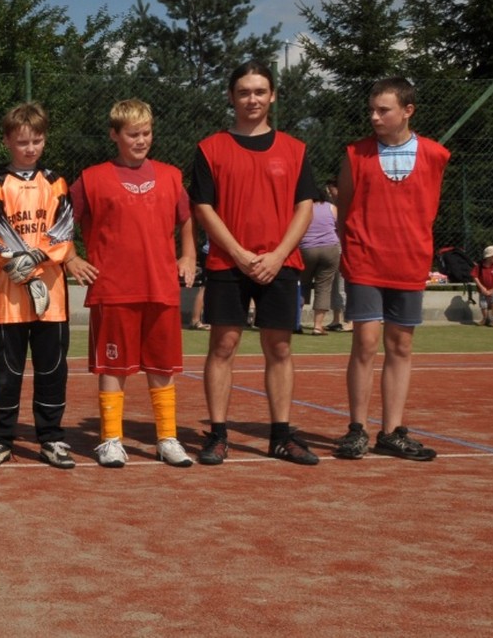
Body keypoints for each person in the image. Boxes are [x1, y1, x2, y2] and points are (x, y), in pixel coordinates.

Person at [190, 61, 321, 466]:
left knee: (279, 347)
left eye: (260, 91)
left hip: (279, 263)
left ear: (273, 96)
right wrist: (239, 254)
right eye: (244, 92)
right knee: (223, 345)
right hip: (228, 263)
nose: (252, 99)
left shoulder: (295, 149)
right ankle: (218, 435)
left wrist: (278, 254)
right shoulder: (210, 148)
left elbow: (305, 207)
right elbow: (203, 207)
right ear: (231, 97)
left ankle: (280, 436)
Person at [64, 100, 197, 468]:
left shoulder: (171, 176)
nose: (141, 140)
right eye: (133, 134)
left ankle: (167, 438)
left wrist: (188, 256)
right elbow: (61, 221)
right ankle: (110, 440)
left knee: (162, 367)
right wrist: (71, 258)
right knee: (113, 368)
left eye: (146, 133)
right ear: (114, 135)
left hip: (161, 287)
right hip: (113, 289)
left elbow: (187, 218)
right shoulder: (92, 178)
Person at [334, 77, 451, 461]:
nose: (374, 116)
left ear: (407, 111)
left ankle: (391, 431)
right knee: (365, 343)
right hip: (365, 261)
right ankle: (357, 429)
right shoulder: (355, 154)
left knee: (400, 346)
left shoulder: (435, 155)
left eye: (383, 110)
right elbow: (345, 209)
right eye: (371, 109)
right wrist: (352, 248)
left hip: (409, 262)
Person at [0, 103, 77, 469]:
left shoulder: (56, 182)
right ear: (7, 141)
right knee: (5, 373)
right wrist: (22, 264)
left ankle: (51, 438)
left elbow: (64, 230)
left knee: (52, 371)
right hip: (7, 296)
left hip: (52, 298)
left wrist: (35, 259)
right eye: (22, 142)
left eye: (37, 140)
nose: (30, 148)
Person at [298, 183, 342, 335]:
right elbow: (339, 227)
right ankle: (318, 326)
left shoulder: (303, 208)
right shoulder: (331, 208)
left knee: (302, 284)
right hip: (329, 248)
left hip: (306, 249)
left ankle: (295, 322)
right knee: (324, 287)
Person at [476, 245, 493, 328]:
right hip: (483, 291)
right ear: (489, 257)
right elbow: (475, 277)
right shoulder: (479, 266)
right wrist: (482, 288)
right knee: (483, 305)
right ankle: (485, 318)